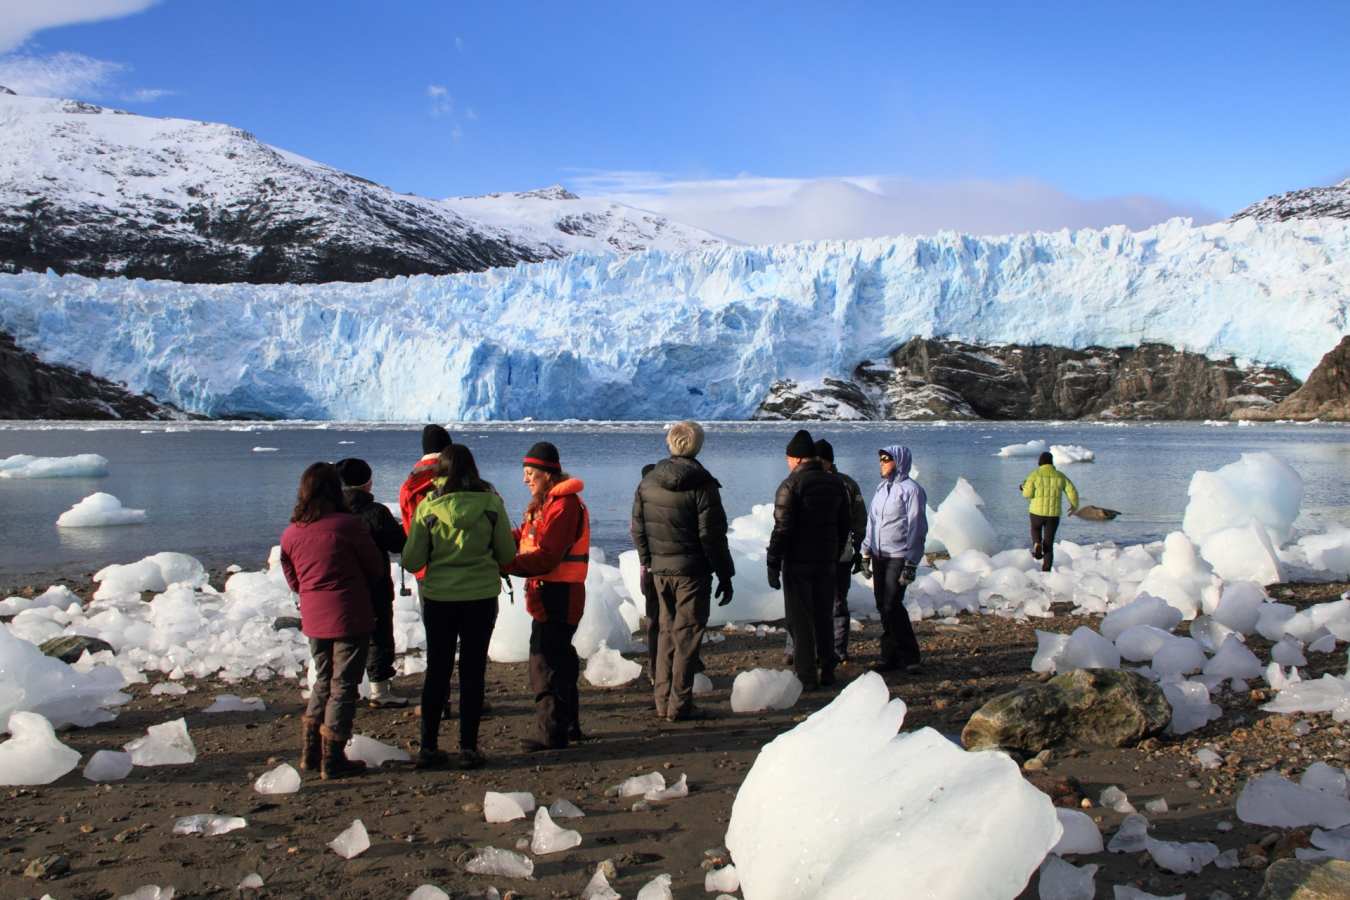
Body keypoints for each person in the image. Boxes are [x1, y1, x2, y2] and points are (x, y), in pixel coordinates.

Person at [400, 444, 515, 770]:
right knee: (473, 670)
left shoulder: (428, 507)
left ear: (440, 473)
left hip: (440, 599)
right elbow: (506, 554)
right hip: (480, 598)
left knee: (437, 670)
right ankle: (467, 747)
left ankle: (429, 747)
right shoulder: (492, 505)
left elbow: (412, 559)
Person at [279, 462, 384, 779]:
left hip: (314, 615)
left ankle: (310, 754)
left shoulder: (292, 532)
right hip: (349, 614)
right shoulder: (347, 526)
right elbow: (375, 567)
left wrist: (311, 591)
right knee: (343, 686)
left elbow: (292, 576)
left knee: (323, 680)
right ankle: (333, 757)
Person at [631, 421, 735, 720]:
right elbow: (712, 535)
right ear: (697, 446)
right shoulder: (703, 485)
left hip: (660, 570)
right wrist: (725, 574)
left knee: (665, 632)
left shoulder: (648, 482)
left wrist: (648, 560)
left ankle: (662, 700)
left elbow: (638, 526)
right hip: (692, 572)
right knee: (687, 635)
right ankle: (679, 705)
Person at [506, 441, 589, 751]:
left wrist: (506, 563)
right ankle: (569, 727)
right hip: (552, 592)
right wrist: (500, 539)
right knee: (560, 659)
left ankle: (551, 734)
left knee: (544, 662)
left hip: (560, 593)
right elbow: (528, 538)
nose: (525, 479)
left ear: (548, 474)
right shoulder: (548, 504)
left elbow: (548, 555)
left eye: (531, 473)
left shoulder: (564, 506)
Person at [766, 429, 850, 690]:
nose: (787, 462)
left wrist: (772, 562)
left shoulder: (790, 485)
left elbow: (782, 528)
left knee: (800, 620)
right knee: (824, 615)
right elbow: (844, 523)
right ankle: (828, 669)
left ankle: (806, 676)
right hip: (826, 561)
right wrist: (834, 553)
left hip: (798, 562)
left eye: (789, 458)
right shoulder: (836, 483)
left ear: (798, 458)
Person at [336, 457, 410, 709]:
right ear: (368, 484)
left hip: (339, 586)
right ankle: (380, 689)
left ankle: (343, 689)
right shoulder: (375, 512)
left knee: (343, 635)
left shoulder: (328, 511)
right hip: (373, 585)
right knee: (378, 635)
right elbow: (398, 544)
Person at [860, 445, 928, 674]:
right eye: (880, 459)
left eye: (886, 459)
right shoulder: (881, 490)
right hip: (880, 555)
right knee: (883, 605)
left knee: (892, 605)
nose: (882, 462)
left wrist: (911, 562)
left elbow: (916, 526)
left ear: (899, 461)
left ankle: (910, 656)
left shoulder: (912, 491)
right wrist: (866, 552)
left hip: (898, 556)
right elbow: (872, 522)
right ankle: (889, 655)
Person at [1021, 450, 1079, 572]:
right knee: (1049, 541)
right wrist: (1074, 505)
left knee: (1035, 529)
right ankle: (1046, 570)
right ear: (1051, 462)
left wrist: (1023, 488)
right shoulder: (1060, 476)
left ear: (1040, 462)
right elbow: (1072, 491)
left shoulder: (1034, 475)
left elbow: (1027, 494)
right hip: (1053, 515)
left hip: (1036, 512)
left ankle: (1037, 543)